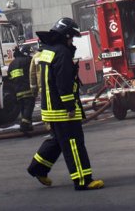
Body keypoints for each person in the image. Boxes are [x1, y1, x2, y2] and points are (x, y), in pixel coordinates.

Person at [27, 18, 104, 191]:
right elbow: (63, 83)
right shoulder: (62, 52)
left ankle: (38, 168)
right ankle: (83, 180)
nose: (72, 41)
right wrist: (70, 106)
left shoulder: (48, 50)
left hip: (50, 108)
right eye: (71, 38)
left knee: (58, 141)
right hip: (62, 110)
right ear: (66, 35)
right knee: (74, 144)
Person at [8, 44, 35, 133]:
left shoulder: (12, 64)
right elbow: (33, 72)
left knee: (23, 107)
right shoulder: (28, 60)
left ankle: (28, 125)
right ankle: (24, 125)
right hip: (27, 88)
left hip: (17, 91)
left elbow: (10, 78)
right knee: (29, 107)